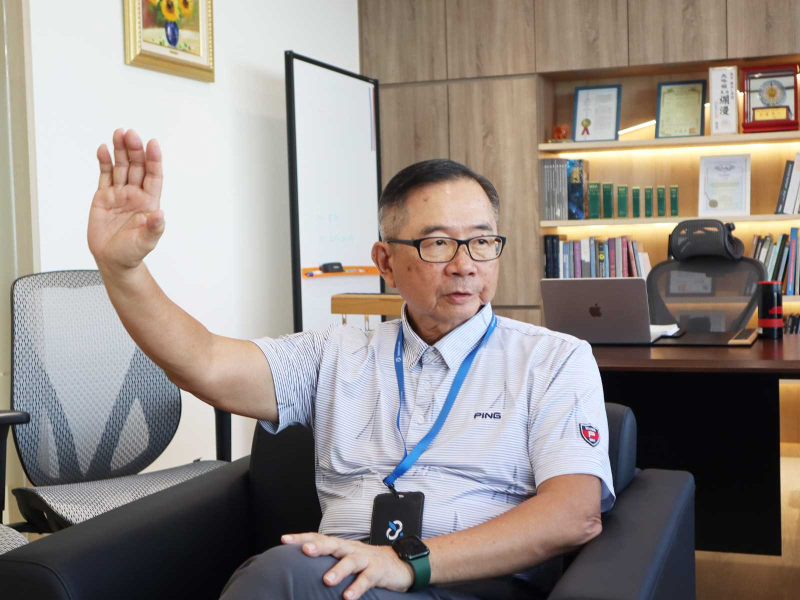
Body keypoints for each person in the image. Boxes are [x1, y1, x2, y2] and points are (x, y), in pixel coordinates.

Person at [89, 129, 615, 600]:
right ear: (386, 262)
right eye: (438, 244)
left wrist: (407, 564)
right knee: (291, 573)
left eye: (481, 242)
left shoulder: (554, 359)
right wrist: (123, 272)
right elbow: (205, 363)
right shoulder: (336, 353)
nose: (464, 265)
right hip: (345, 578)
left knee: (282, 575)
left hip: (472, 583)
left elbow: (575, 515)